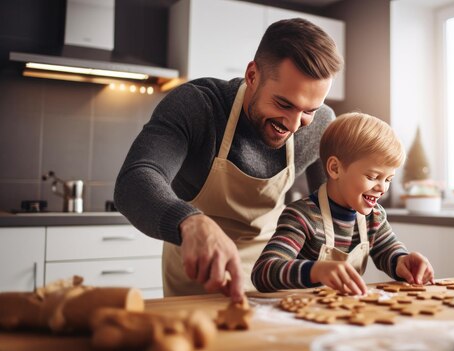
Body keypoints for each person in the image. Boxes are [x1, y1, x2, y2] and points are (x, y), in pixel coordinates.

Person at [114, 18, 343, 301]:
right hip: (198, 282)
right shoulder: (198, 105)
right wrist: (191, 223)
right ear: (252, 75)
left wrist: (393, 257)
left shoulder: (321, 124)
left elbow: (334, 207)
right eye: (284, 104)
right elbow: (135, 180)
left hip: (275, 278)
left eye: (309, 110)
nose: (295, 125)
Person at [251, 113, 435, 295]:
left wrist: (403, 261)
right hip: (298, 314)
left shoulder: (374, 218)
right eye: (373, 177)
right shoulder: (302, 216)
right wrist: (316, 271)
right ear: (335, 168)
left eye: (388, 179)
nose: (382, 188)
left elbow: (389, 252)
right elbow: (264, 271)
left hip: (346, 316)